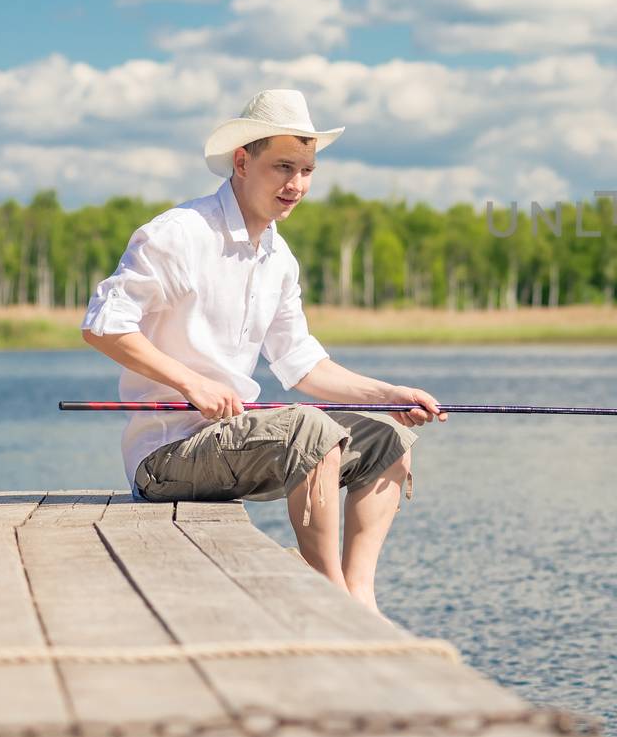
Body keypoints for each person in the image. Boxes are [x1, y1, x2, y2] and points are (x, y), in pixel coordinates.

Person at [80, 89, 445, 614]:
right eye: (282, 167)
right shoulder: (179, 234)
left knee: (387, 436)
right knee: (310, 427)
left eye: (307, 169)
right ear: (242, 160)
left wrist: (390, 394)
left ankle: (359, 597)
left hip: (237, 445)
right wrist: (192, 383)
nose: (296, 184)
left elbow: (303, 363)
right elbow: (103, 327)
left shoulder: (279, 256)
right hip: (164, 460)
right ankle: (328, 598)